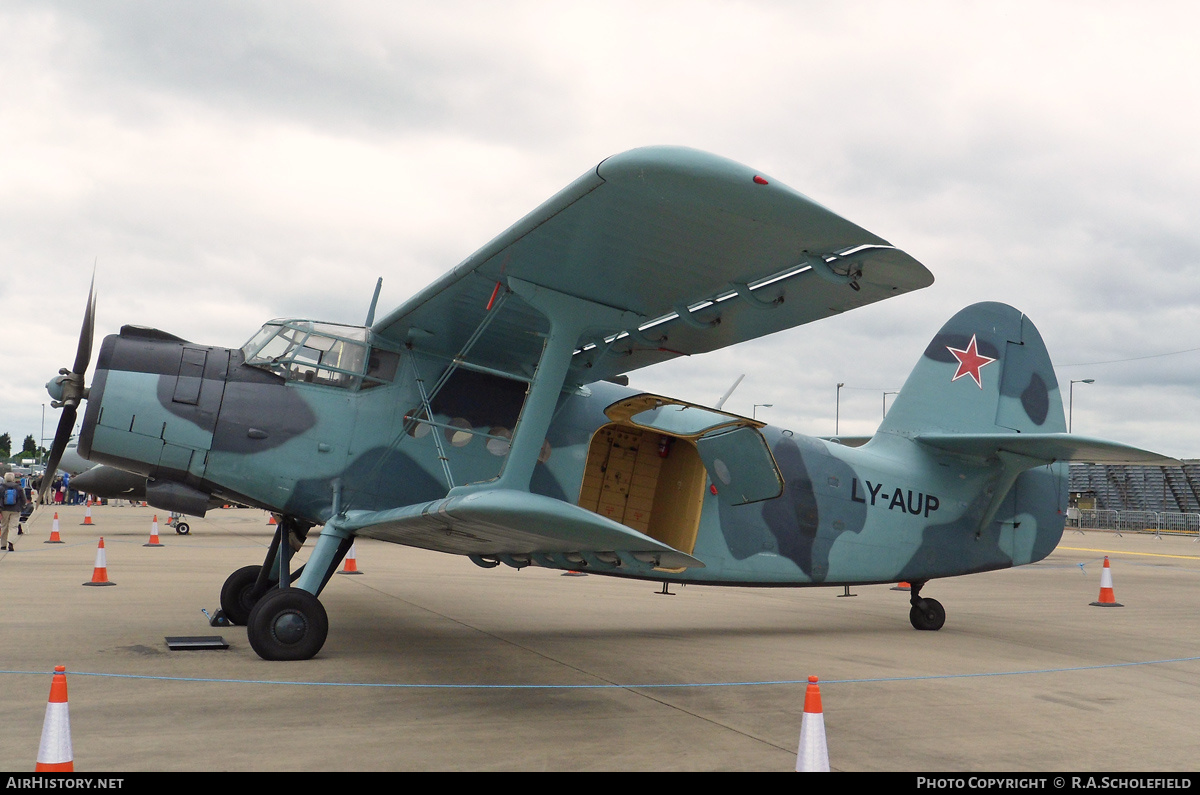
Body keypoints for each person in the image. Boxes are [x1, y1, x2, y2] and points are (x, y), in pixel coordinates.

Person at [2, 472, 29, 552]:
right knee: (13, 526)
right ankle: (11, 542)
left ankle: (3, 544)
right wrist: (23, 505)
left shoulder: (2, 487)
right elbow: (23, 498)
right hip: (16, 509)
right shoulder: (18, 487)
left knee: (4, 526)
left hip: (4, 509)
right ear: (13, 478)